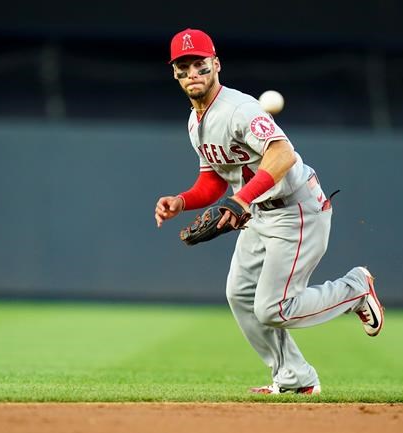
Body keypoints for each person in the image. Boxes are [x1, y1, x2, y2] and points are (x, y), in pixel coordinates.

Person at [155, 28, 384, 395]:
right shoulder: (195, 121)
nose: (192, 73)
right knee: (241, 295)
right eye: (183, 67)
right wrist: (181, 201)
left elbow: (283, 154)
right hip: (259, 213)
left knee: (273, 308)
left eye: (199, 64)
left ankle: (354, 290)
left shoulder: (239, 109)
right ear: (175, 73)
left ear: (216, 64)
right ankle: (294, 378)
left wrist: (240, 200)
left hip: (296, 210)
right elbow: (214, 180)